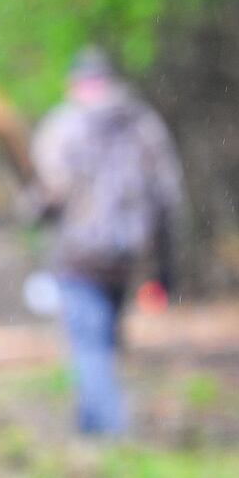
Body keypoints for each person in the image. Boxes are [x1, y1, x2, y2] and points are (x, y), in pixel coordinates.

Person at [32, 46, 185, 436]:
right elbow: (168, 197)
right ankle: (89, 433)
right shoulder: (144, 125)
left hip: (78, 258)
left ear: (74, 84)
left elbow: (47, 195)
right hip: (127, 257)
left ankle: (113, 440)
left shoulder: (63, 126)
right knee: (101, 342)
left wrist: (31, 209)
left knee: (90, 348)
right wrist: (164, 267)